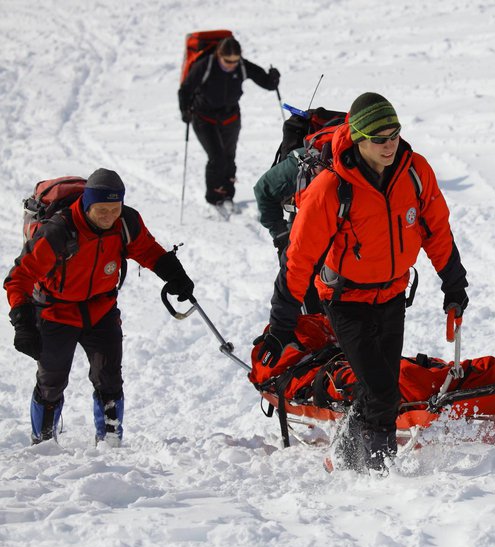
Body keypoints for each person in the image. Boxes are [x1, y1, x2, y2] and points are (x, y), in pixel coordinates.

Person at [254, 92, 470, 472]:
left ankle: (362, 468)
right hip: (345, 301)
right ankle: (367, 471)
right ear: (357, 138)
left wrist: (454, 284)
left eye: (394, 135)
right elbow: (298, 259)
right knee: (381, 390)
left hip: (392, 295)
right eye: (379, 138)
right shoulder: (331, 188)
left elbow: (436, 230)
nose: (390, 145)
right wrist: (281, 325)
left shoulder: (416, 172)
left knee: (381, 390)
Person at [5, 169, 196, 446]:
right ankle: (43, 443)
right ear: (86, 204)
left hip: (101, 309)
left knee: (109, 379)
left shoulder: (126, 222)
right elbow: (20, 277)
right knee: (52, 382)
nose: (108, 217)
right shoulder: (58, 231)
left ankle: (110, 442)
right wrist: (22, 321)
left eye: (114, 209)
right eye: (101, 210)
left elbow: (147, 249)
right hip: (56, 312)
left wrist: (175, 274)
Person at [178, 36, 280, 217]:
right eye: (227, 61)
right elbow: (185, 89)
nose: (231, 65)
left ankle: (227, 195)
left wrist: (273, 79)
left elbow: (266, 82)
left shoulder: (241, 65)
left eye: (235, 60)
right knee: (216, 158)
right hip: (203, 117)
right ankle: (213, 198)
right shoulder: (205, 65)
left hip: (230, 117)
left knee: (229, 157)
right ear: (219, 55)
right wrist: (184, 111)